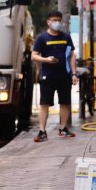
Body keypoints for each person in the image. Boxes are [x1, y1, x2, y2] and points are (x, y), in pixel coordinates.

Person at [31, 11, 78, 142]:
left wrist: (74, 74)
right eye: (54, 20)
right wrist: (46, 59)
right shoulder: (42, 38)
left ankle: (63, 129)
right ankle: (42, 131)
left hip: (64, 76)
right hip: (47, 76)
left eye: (59, 20)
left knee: (65, 103)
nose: (57, 23)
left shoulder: (66, 38)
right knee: (44, 104)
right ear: (49, 22)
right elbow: (34, 55)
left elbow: (72, 56)